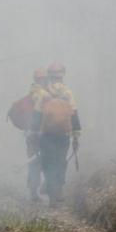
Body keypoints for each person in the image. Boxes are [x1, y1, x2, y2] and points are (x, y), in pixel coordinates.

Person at [30, 61, 80, 206]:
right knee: (60, 162)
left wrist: (34, 133)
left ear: (50, 76)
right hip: (64, 135)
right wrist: (76, 137)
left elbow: (37, 115)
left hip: (46, 136)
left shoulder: (43, 94)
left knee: (48, 163)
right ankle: (58, 190)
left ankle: (52, 195)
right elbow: (74, 115)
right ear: (62, 76)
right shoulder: (68, 93)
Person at [26, 68, 49, 201]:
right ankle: (34, 192)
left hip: (35, 134)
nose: (44, 80)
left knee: (36, 162)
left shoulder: (35, 92)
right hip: (37, 134)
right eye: (42, 78)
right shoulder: (39, 93)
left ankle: (37, 190)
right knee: (36, 162)